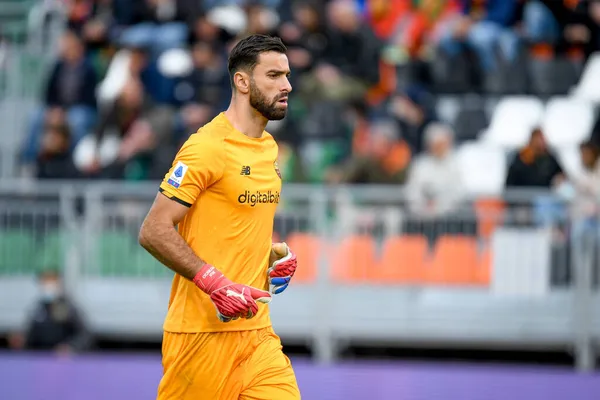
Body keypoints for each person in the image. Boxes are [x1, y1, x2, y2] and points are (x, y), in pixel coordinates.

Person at [138, 35, 300, 399]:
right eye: (274, 75)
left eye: (287, 75)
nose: (287, 85)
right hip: (199, 337)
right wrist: (215, 283)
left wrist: (273, 254)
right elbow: (153, 230)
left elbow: (234, 222)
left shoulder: (269, 148)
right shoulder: (206, 147)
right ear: (242, 82)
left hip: (257, 335)